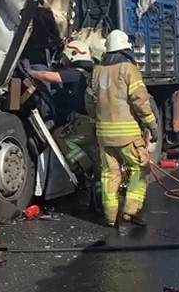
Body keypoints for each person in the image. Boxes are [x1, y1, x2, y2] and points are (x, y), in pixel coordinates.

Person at [86, 29, 158, 228]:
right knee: (140, 168)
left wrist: (95, 121)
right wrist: (152, 124)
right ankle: (130, 211)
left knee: (109, 174)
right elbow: (140, 100)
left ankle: (110, 217)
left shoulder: (97, 71)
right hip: (127, 135)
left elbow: (90, 101)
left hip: (104, 136)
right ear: (126, 48)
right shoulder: (129, 69)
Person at [29, 40, 97, 174]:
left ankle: (84, 167)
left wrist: (30, 72)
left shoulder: (75, 73)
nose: (64, 62)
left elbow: (48, 76)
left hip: (83, 121)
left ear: (73, 55)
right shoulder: (89, 73)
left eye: (66, 58)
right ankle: (91, 177)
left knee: (60, 137)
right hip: (91, 121)